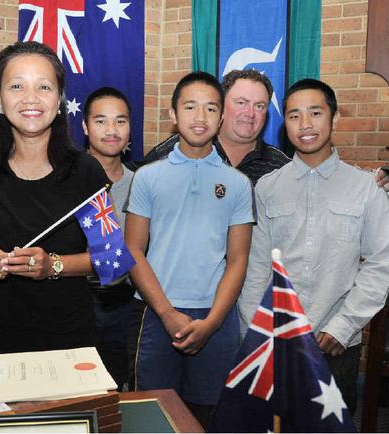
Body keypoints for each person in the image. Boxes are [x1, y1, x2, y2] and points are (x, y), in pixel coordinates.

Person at [237, 78, 389, 415]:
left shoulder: (364, 190)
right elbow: (255, 269)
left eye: (315, 113)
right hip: (276, 339)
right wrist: (254, 334)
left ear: (334, 118)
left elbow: (381, 263)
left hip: (335, 343)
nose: (305, 125)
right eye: (294, 116)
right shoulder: (267, 188)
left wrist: (342, 327)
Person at [0, 41, 110, 354]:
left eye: (44, 87)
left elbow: (112, 260)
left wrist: (53, 265)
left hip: (68, 339)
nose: (30, 98)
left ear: (59, 100)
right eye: (16, 86)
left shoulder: (87, 171)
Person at [125, 71, 254, 427]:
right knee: (152, 414)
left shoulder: (238, 183)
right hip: (155, 311)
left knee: (210, 415)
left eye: (211, 108)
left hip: (216, 314)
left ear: (222, 117)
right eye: (190, 107)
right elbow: (133, 250)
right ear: (172, 115)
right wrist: (166, 312)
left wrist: (212, 322)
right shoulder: (148, 176)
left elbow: (238, 259)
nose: (201, 117)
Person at [138, 69, 389, 190]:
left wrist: (382, 177)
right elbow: (128, 179)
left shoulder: (279, 164)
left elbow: (324, 177)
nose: (250, 113)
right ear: (221, 106)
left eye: (260, 105)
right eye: (241, 102)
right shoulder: (173, 150)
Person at [82, 87, 135, 390]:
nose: (112, 130)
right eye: (101, 121)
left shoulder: (143, 182)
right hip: (76, 300)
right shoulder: (64, 179)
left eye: (121, 121)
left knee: (117, 389)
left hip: (126, 302)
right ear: (86, 127)